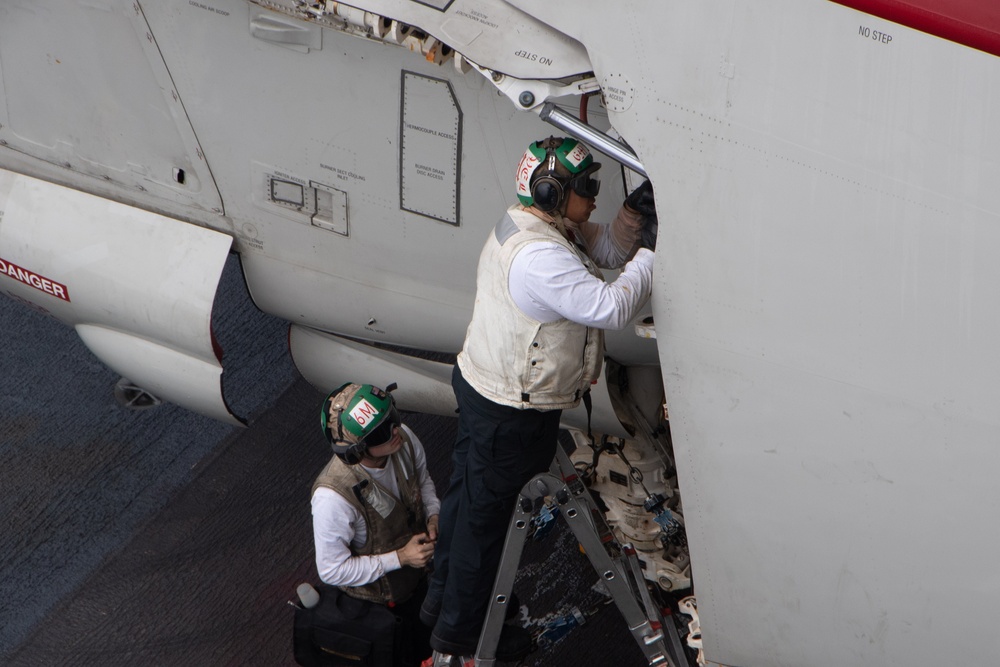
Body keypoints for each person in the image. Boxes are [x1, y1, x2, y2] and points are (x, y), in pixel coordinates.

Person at [423, 136, 657, 661]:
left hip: (485, 391)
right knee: (485, 531)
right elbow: (610, 307)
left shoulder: (538, 222)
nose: (595, 196)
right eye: (588, 188)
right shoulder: (540, 259)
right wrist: (654, 255)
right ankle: (459, 640)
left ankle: (438, 609)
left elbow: (605, 250)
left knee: (464, 507)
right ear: (553, 192)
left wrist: (631, 219)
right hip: (511, 414)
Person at [310, 382, 441, 667]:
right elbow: (332, 570)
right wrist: (401, 558)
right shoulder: (332, 498)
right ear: (356, 450)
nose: (396, 430)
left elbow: (423, 480)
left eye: (392, 417)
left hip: (419, 586)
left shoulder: (403, 438)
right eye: (383, 430)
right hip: (380, 606)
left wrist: (433, 514)